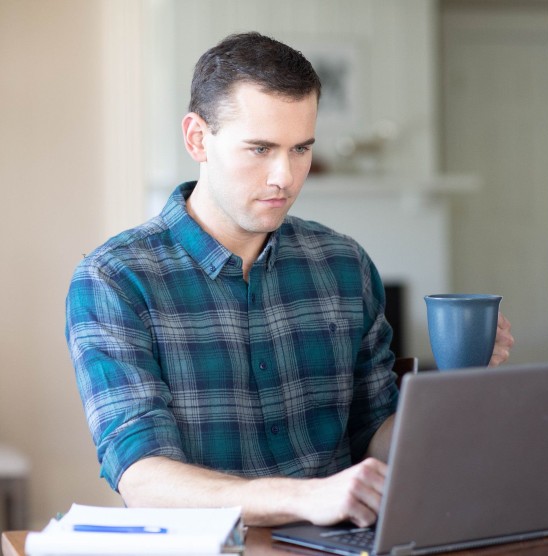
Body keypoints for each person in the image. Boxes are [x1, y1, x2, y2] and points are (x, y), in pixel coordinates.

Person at [65, 32, 514, 528]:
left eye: (301, 148)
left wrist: (457, 385)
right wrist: (304, 498)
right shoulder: (115, 280)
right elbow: (144, 478)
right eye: (260, 149)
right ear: (197, 138)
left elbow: (376, 435)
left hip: (343, 543)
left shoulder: (345, 265)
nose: (286, 176)